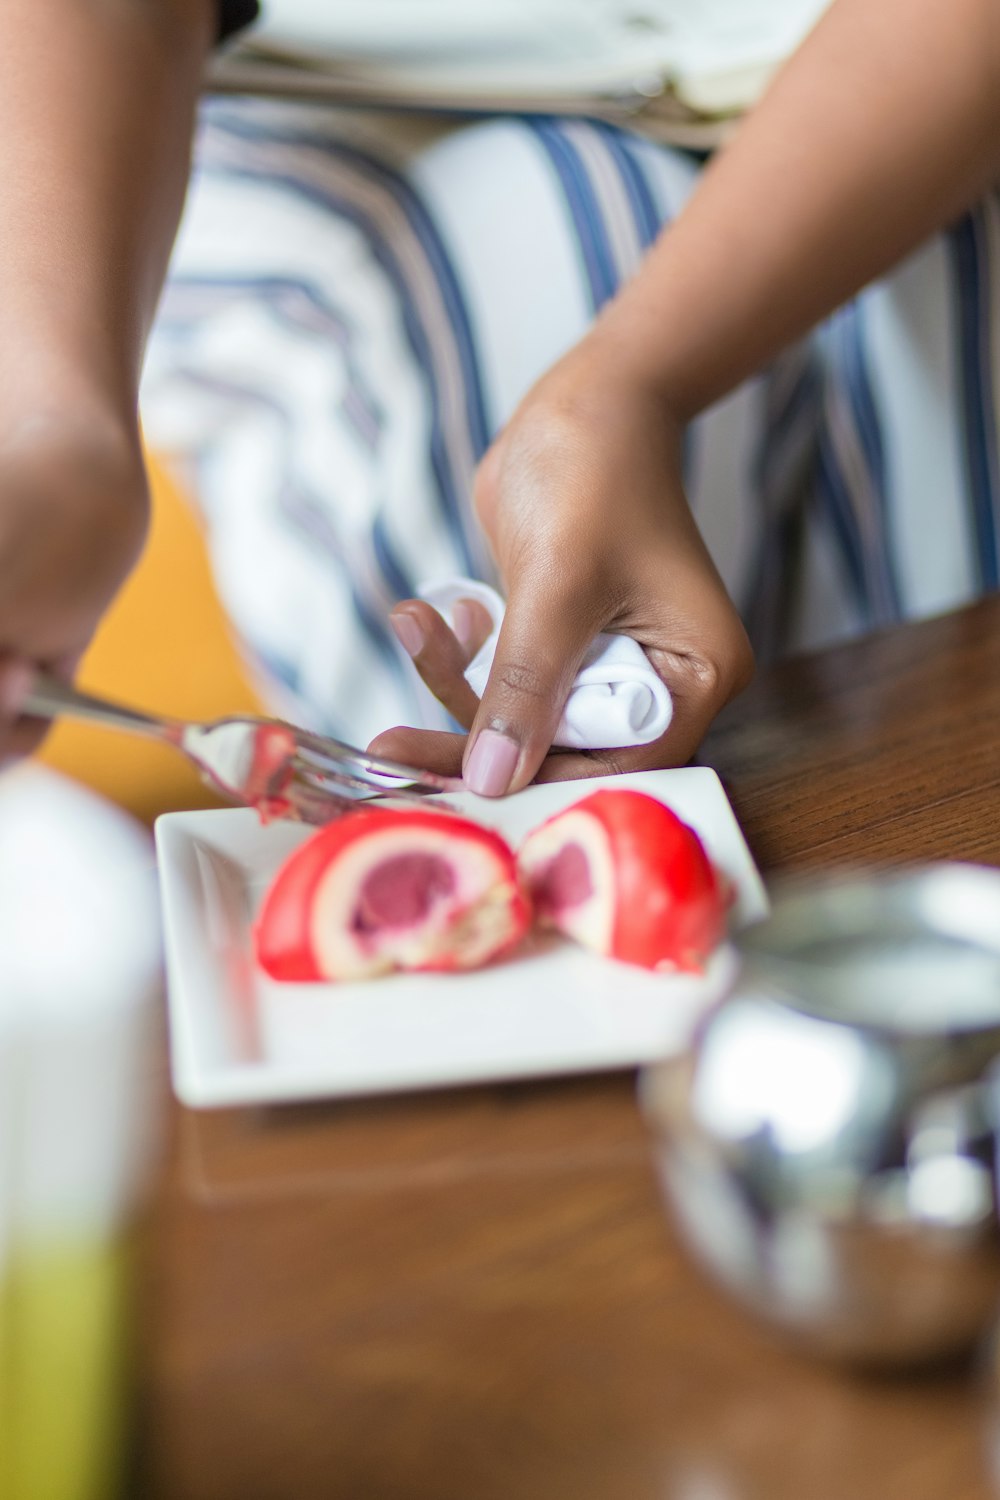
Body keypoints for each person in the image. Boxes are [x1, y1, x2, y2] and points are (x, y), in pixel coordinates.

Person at [3, 0, 1000, 798]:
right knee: (541, 268)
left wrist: (630, 385)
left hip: (880, 63)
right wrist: (65, 432)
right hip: (265, 90)